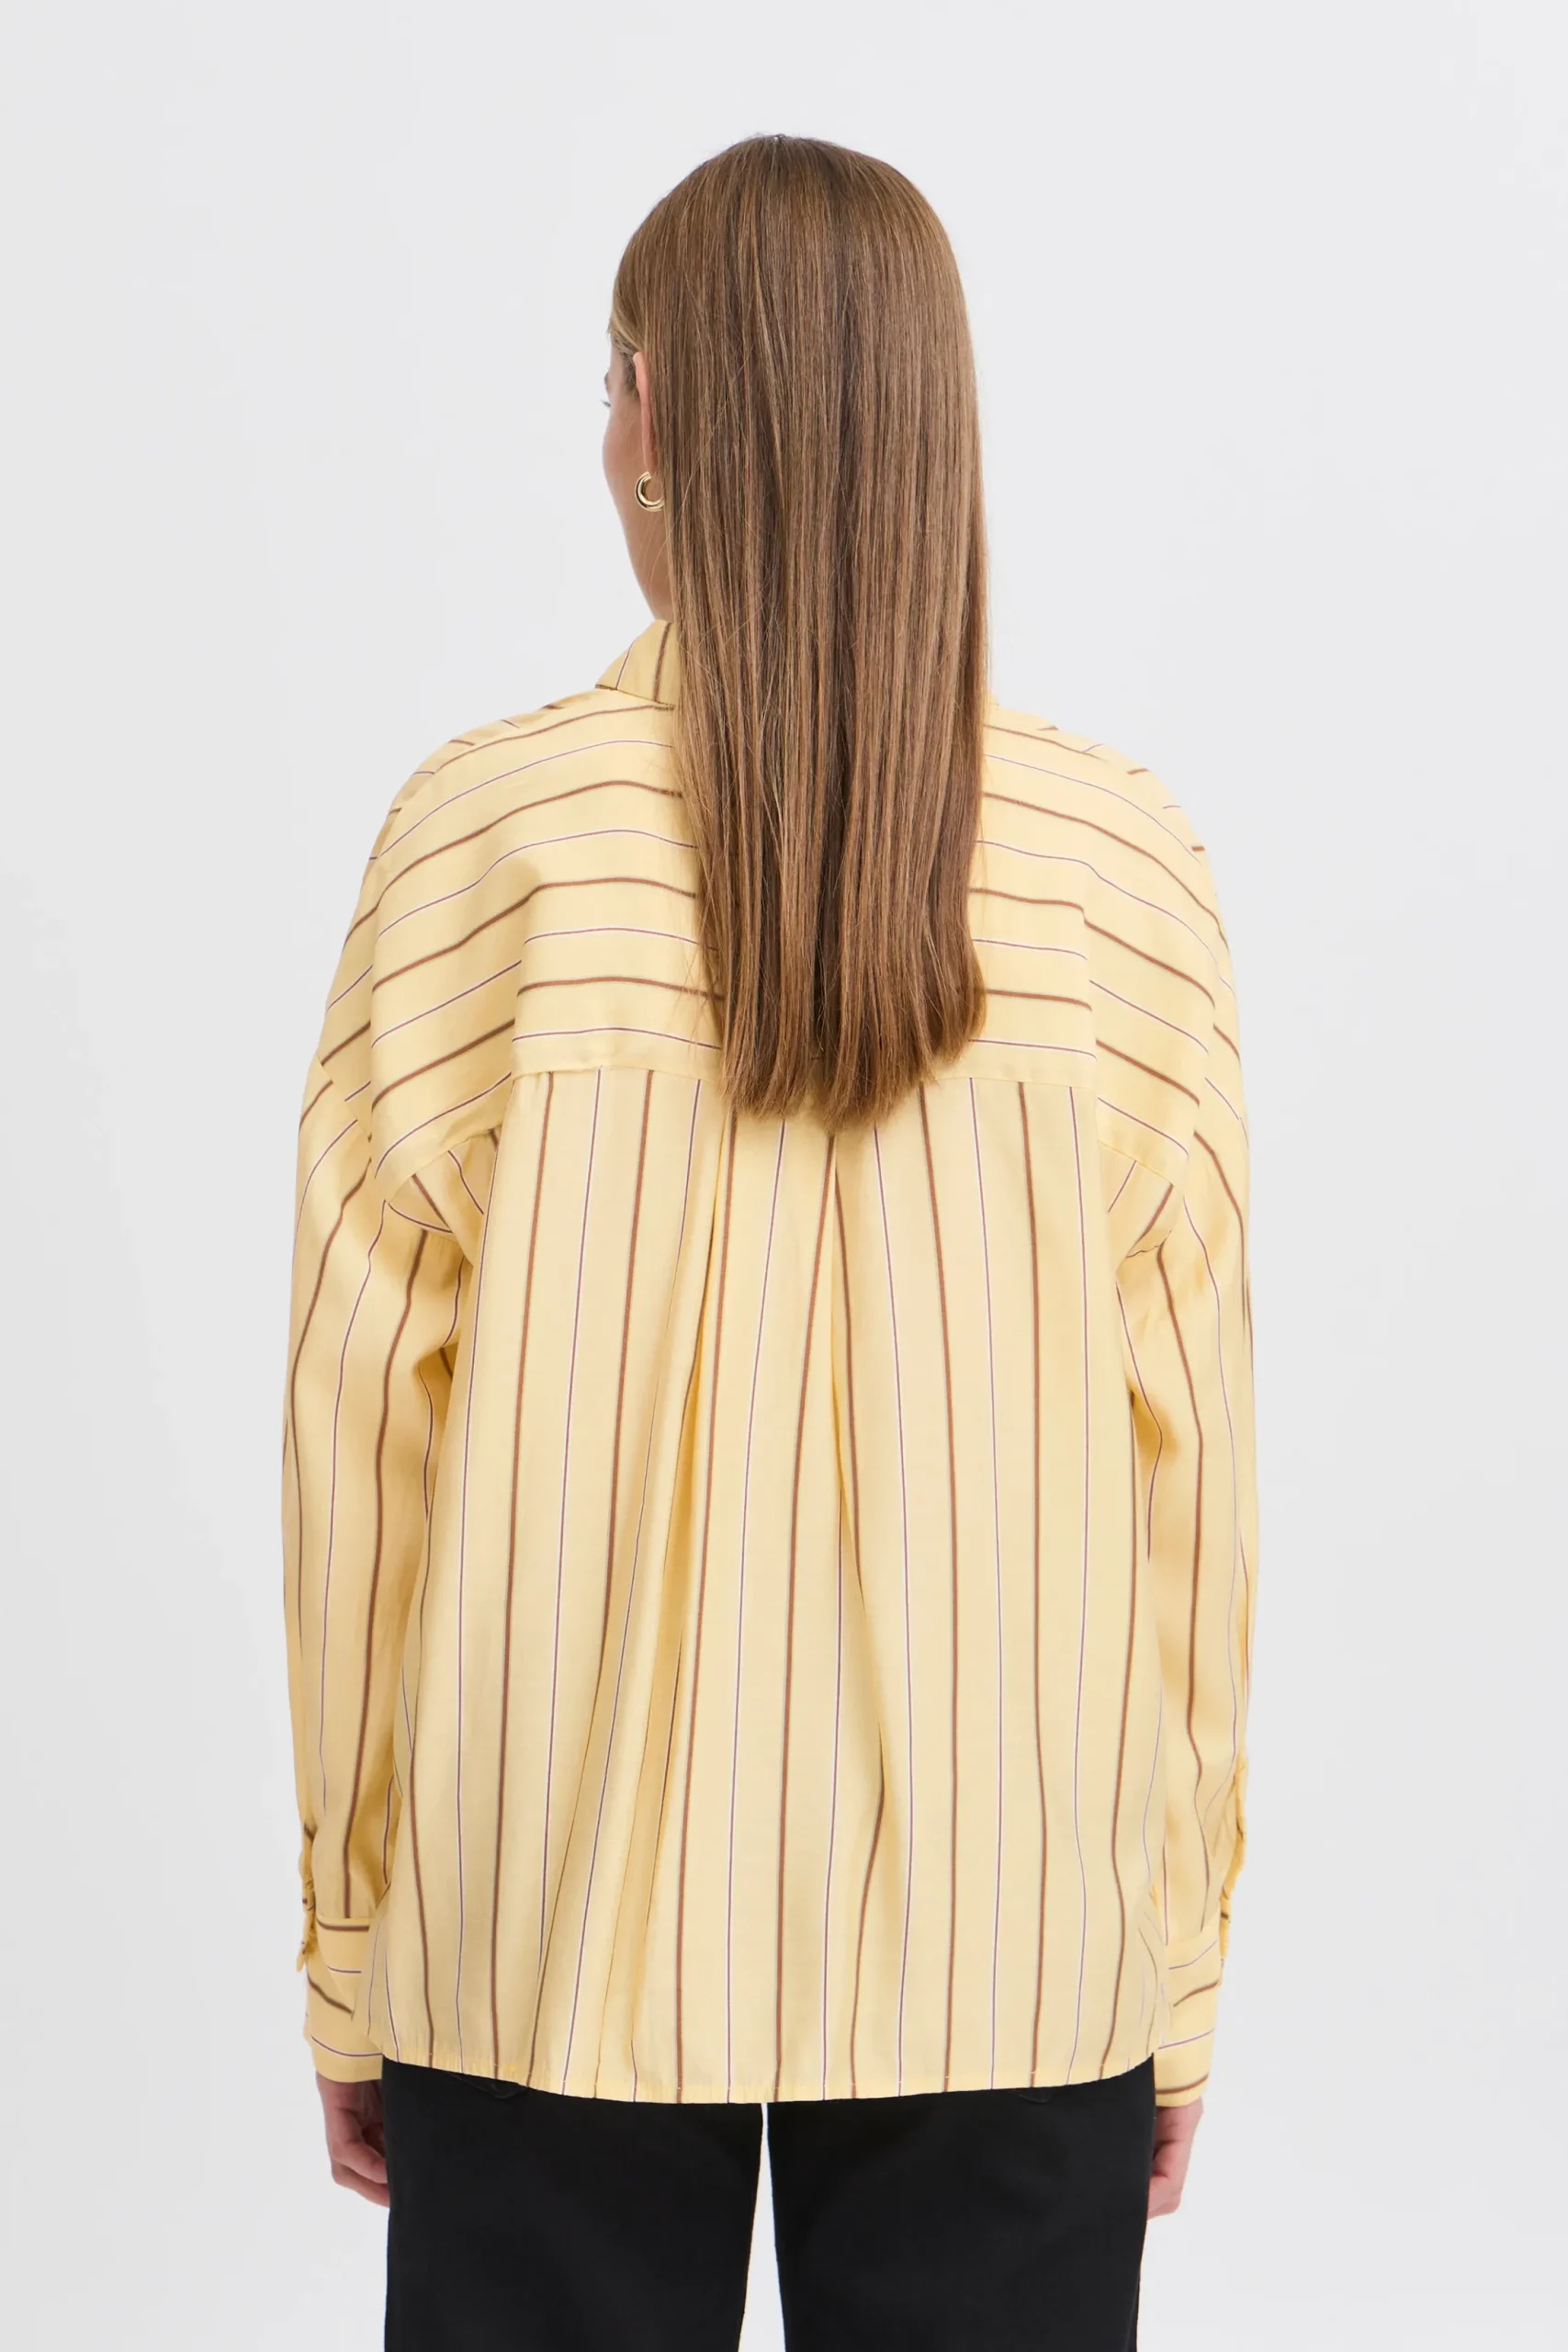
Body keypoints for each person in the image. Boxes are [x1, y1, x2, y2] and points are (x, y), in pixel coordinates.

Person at [280, 132, 1258, 2352]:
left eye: (604, 378)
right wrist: (1174, 1966)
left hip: (542, 1935)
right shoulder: (1119, 866)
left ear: (656, 416)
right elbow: (1191, 1487)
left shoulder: (483, 841)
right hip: (1016, 1944)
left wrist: (356, 1941)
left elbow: (361, 1462)